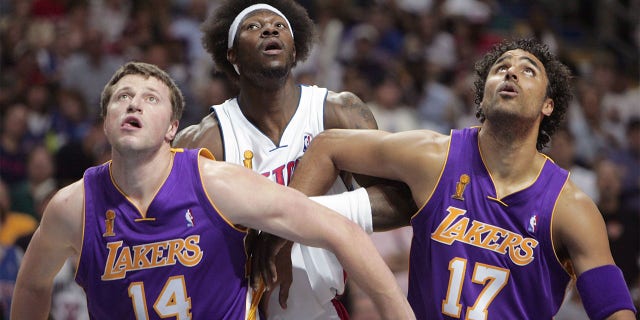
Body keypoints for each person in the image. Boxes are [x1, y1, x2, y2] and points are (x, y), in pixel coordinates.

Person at [10, 61, 415, 320]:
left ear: (173, 129)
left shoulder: (216, 183)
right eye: (123, 97)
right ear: (106, 120)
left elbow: (339, 231)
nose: (134, 104)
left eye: (150, 98)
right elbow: (31, 284)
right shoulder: (72, 206)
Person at [287, 38, 637, 319]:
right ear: (483, 94)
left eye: (527, 70)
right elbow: (328, 146)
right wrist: (280, 243)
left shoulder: (570, 207)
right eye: (501, 69)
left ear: (548, 105)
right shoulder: (432, 156)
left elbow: (613, 309)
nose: (511, 74)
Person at [173, 1, 414, 318]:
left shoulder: (338, 112)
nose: (269, 29)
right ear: (231, 55)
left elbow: (402, 204)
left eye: (279, 25)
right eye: (253, 27)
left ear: (295, 47)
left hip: (323, 309)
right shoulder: (203, 140)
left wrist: (287, 228)